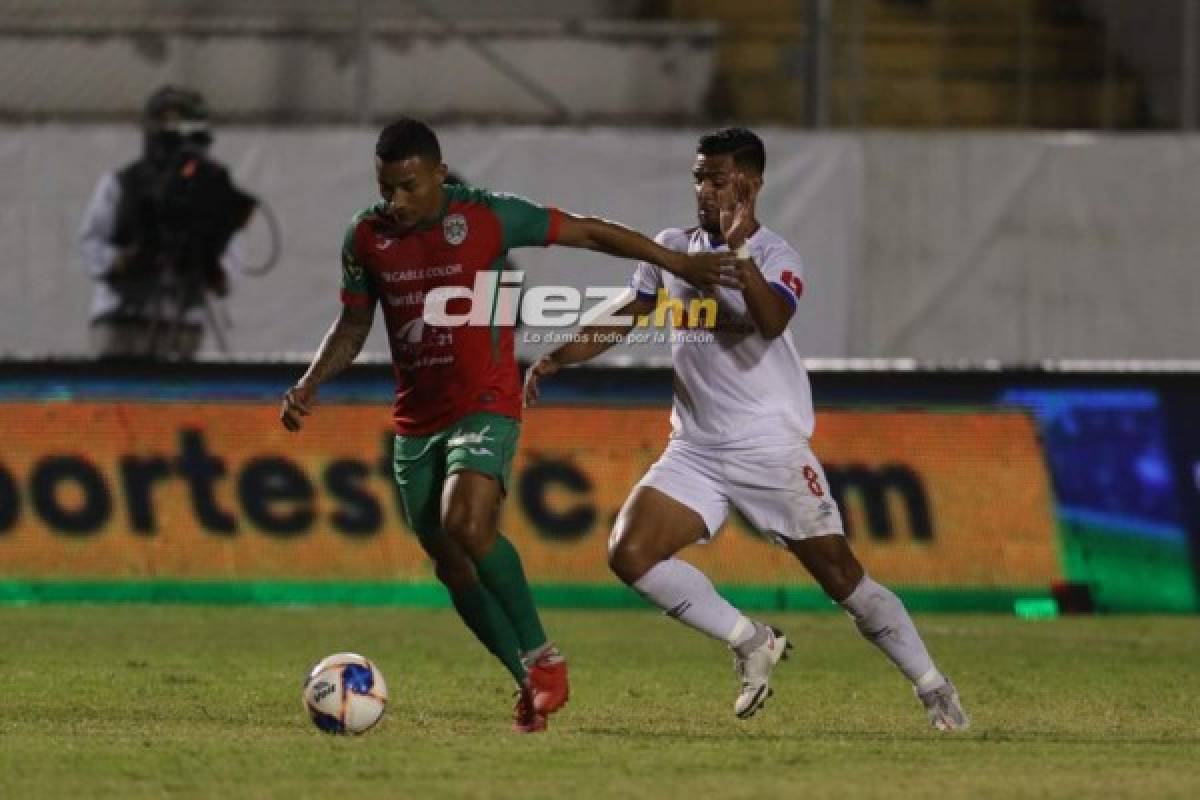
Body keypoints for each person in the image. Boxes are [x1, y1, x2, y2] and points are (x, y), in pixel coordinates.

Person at [279, 117, 733, 733]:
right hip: (416, 423)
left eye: (410, 186)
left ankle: (544, 658)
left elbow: (593, 234)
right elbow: (355, 324)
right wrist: (310, 383)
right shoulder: (366, 237)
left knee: (465, 521)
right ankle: (526, 681)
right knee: (450, 563)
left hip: (485, 402)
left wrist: (676, 261)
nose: (398, 201)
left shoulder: (489, 217)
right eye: (388, 188)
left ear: (439, 174)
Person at [524, 127, 969, 731]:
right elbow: (627, 314)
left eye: (716, 177)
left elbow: (769, 320)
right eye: (698, 177)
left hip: (770, 449)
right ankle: (749, 638)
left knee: (842, 578)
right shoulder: (673, 247)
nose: (704, 189)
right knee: (630, 552)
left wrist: (737, 255)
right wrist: (556, 358)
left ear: (751, 184)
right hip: (696, 449)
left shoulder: (777, 256)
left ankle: (933, 687)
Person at [79, 85, 255, 360]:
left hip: (183, 320)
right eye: (166, 122)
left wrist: (209, 267)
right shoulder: (122, 183)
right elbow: (91, 242)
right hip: (122, 317)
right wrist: (125, 260)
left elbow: (230, 262)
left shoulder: (212, 190)